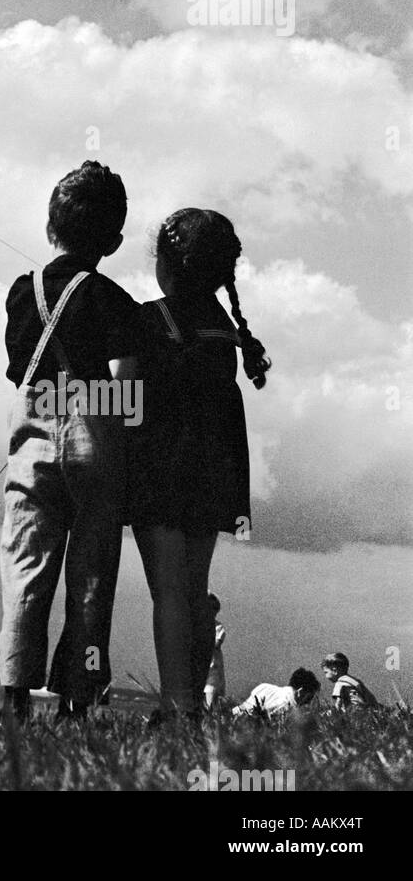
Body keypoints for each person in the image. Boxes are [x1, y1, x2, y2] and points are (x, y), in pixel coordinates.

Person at [0, 161, 140, 721]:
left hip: (33, 432)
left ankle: (14, 697)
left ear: (50, 226)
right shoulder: (114, 298)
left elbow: (20, 374)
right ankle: (76, 704)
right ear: (114, 240)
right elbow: (128, 380)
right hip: (95, 433)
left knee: (24, 562)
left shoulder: (20, 292)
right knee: (92, 571)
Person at [127, 209, 271, 721]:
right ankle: (186, 704)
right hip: (214, 473)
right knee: (191, 591)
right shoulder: (226, 332)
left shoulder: (147, 319)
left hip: (160, 474)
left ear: (166, 264)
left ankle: (179, 706)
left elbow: (127, 401)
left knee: (168, 594)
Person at [233, 668, 319, 720]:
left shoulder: (265, 687)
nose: (309, 702)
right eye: (309, 697)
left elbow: (242, 707)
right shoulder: (287, 708)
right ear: (300, 691)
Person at [203, 592, 226, 709]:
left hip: (212, 667)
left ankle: (210, 715)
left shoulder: (218, 627)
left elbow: (216, 643)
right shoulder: (198, 626)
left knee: (210, 692)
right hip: (200, 665)